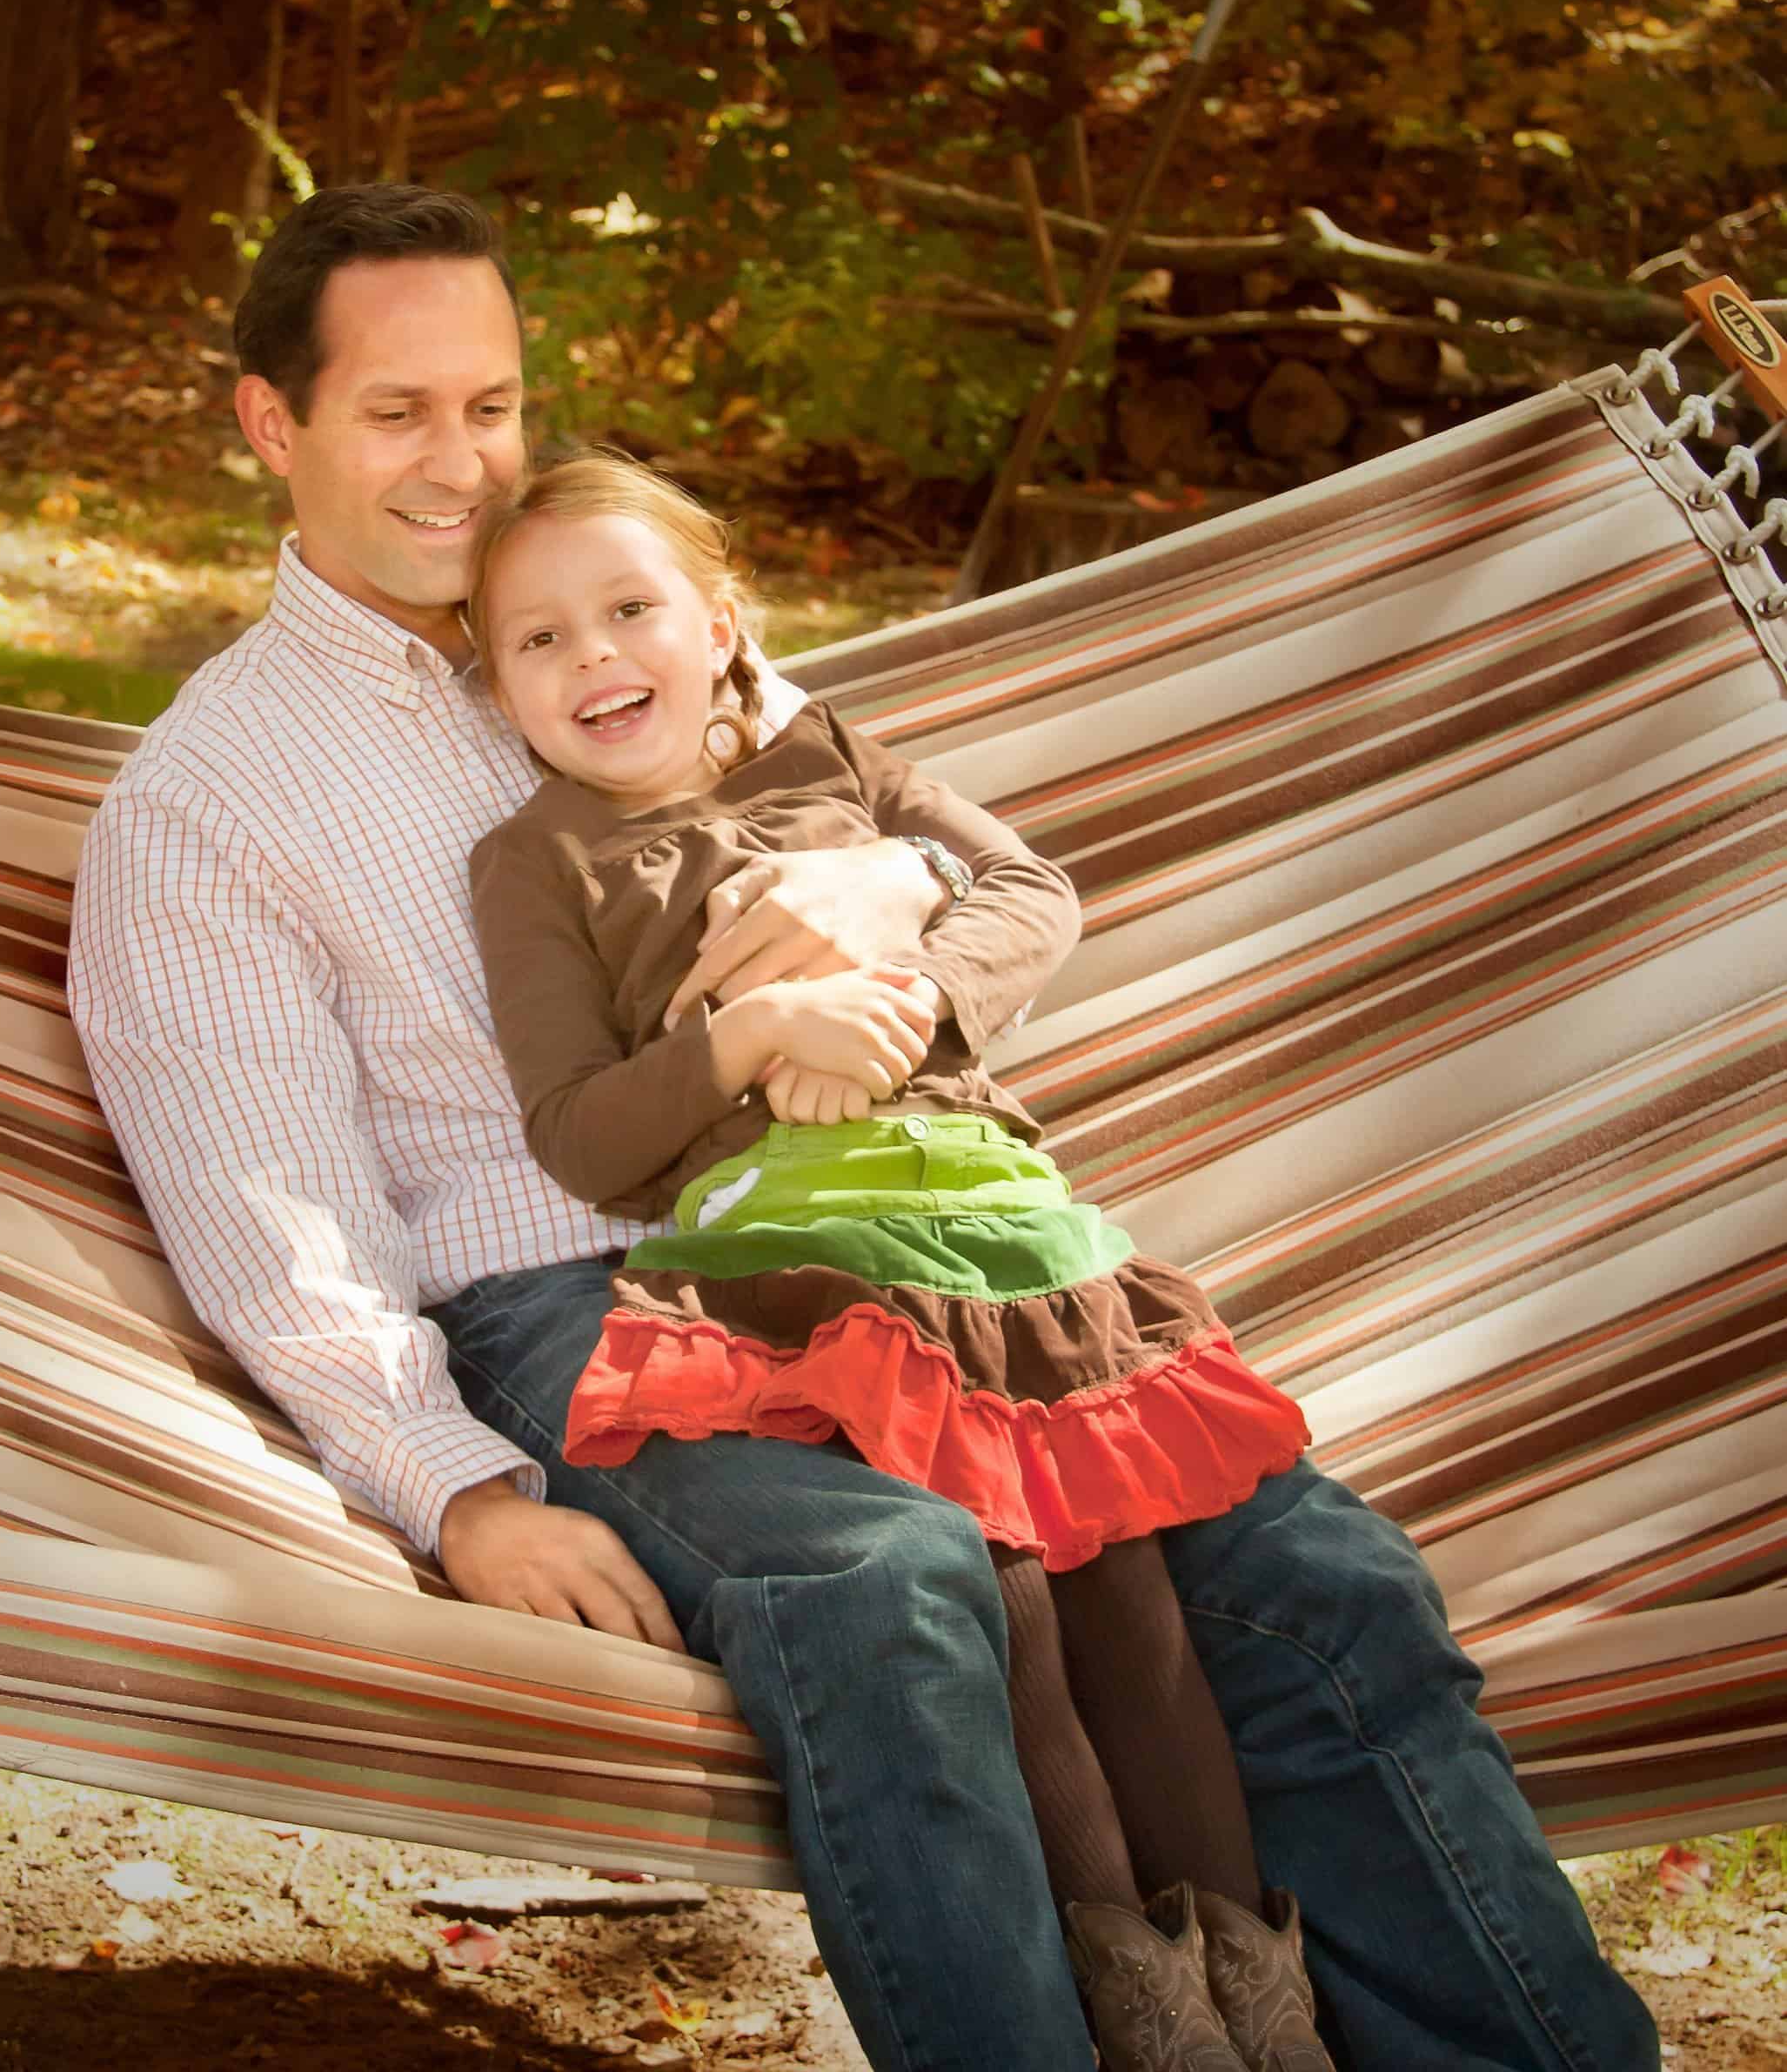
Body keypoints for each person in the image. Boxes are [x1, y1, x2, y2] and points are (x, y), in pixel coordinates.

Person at [66, 180, 1658, 2072]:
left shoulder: (619, 603)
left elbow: (914, 842)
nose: (463, 461)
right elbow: (276, 1211)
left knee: (1318, 1582)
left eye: (489, 404)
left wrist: (906, 896)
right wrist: (453, 1485)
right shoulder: (210, 802)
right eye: (399, 412)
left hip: (892, 1238)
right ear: (273, 423)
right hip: (569, 1300)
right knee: (897, 1588)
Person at [461, 448, 1339, 2071]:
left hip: (995, 1233)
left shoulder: (835, 755)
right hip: (800, 1268)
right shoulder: (537, 862)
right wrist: (754, 1033)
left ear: (723, 623)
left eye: (630, 609)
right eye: (536, 640)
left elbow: (1031, 891)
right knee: (994, 1594)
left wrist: (904, 999)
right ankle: (1140, 2020)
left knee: (1124, 1599)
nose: (592, 657)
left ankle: (1257, 2022)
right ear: (495, 683)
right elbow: (581, 1134)